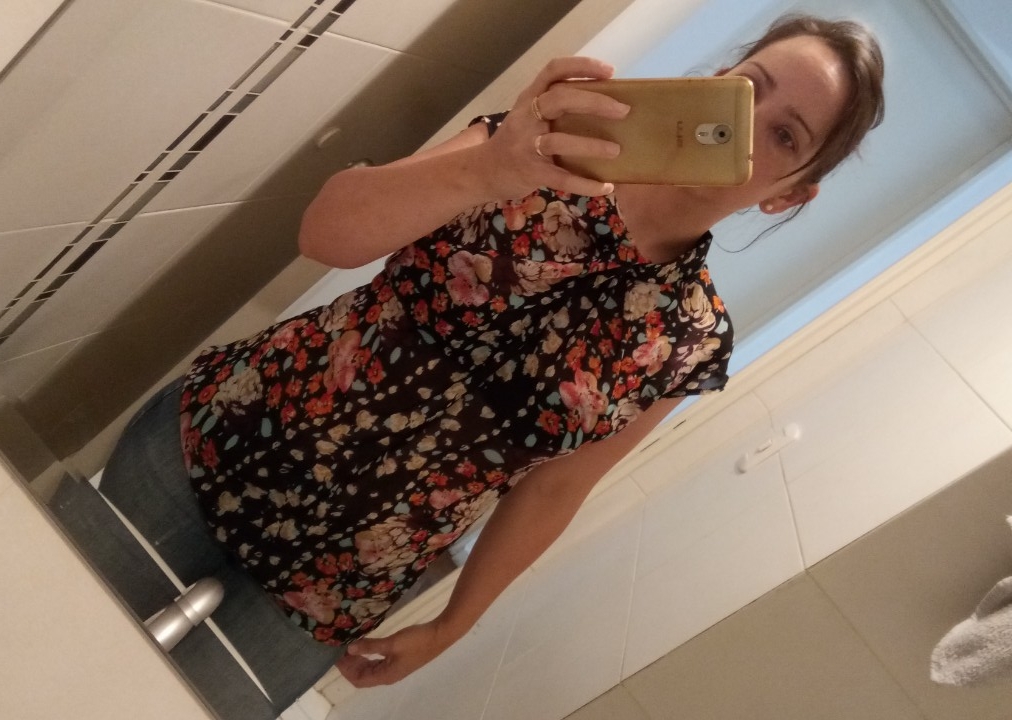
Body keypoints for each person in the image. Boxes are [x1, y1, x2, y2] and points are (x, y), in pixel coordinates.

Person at [99, 11, 885, 710]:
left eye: (786, 137)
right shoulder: (533, 151)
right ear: (716, 81)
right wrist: (492, 167)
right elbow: (324, 233)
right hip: (214, 444)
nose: (748, 130)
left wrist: (453, 625)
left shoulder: (692, 341)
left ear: (789, 195)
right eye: (750, 91)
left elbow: (557, 488)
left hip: (336, 584)